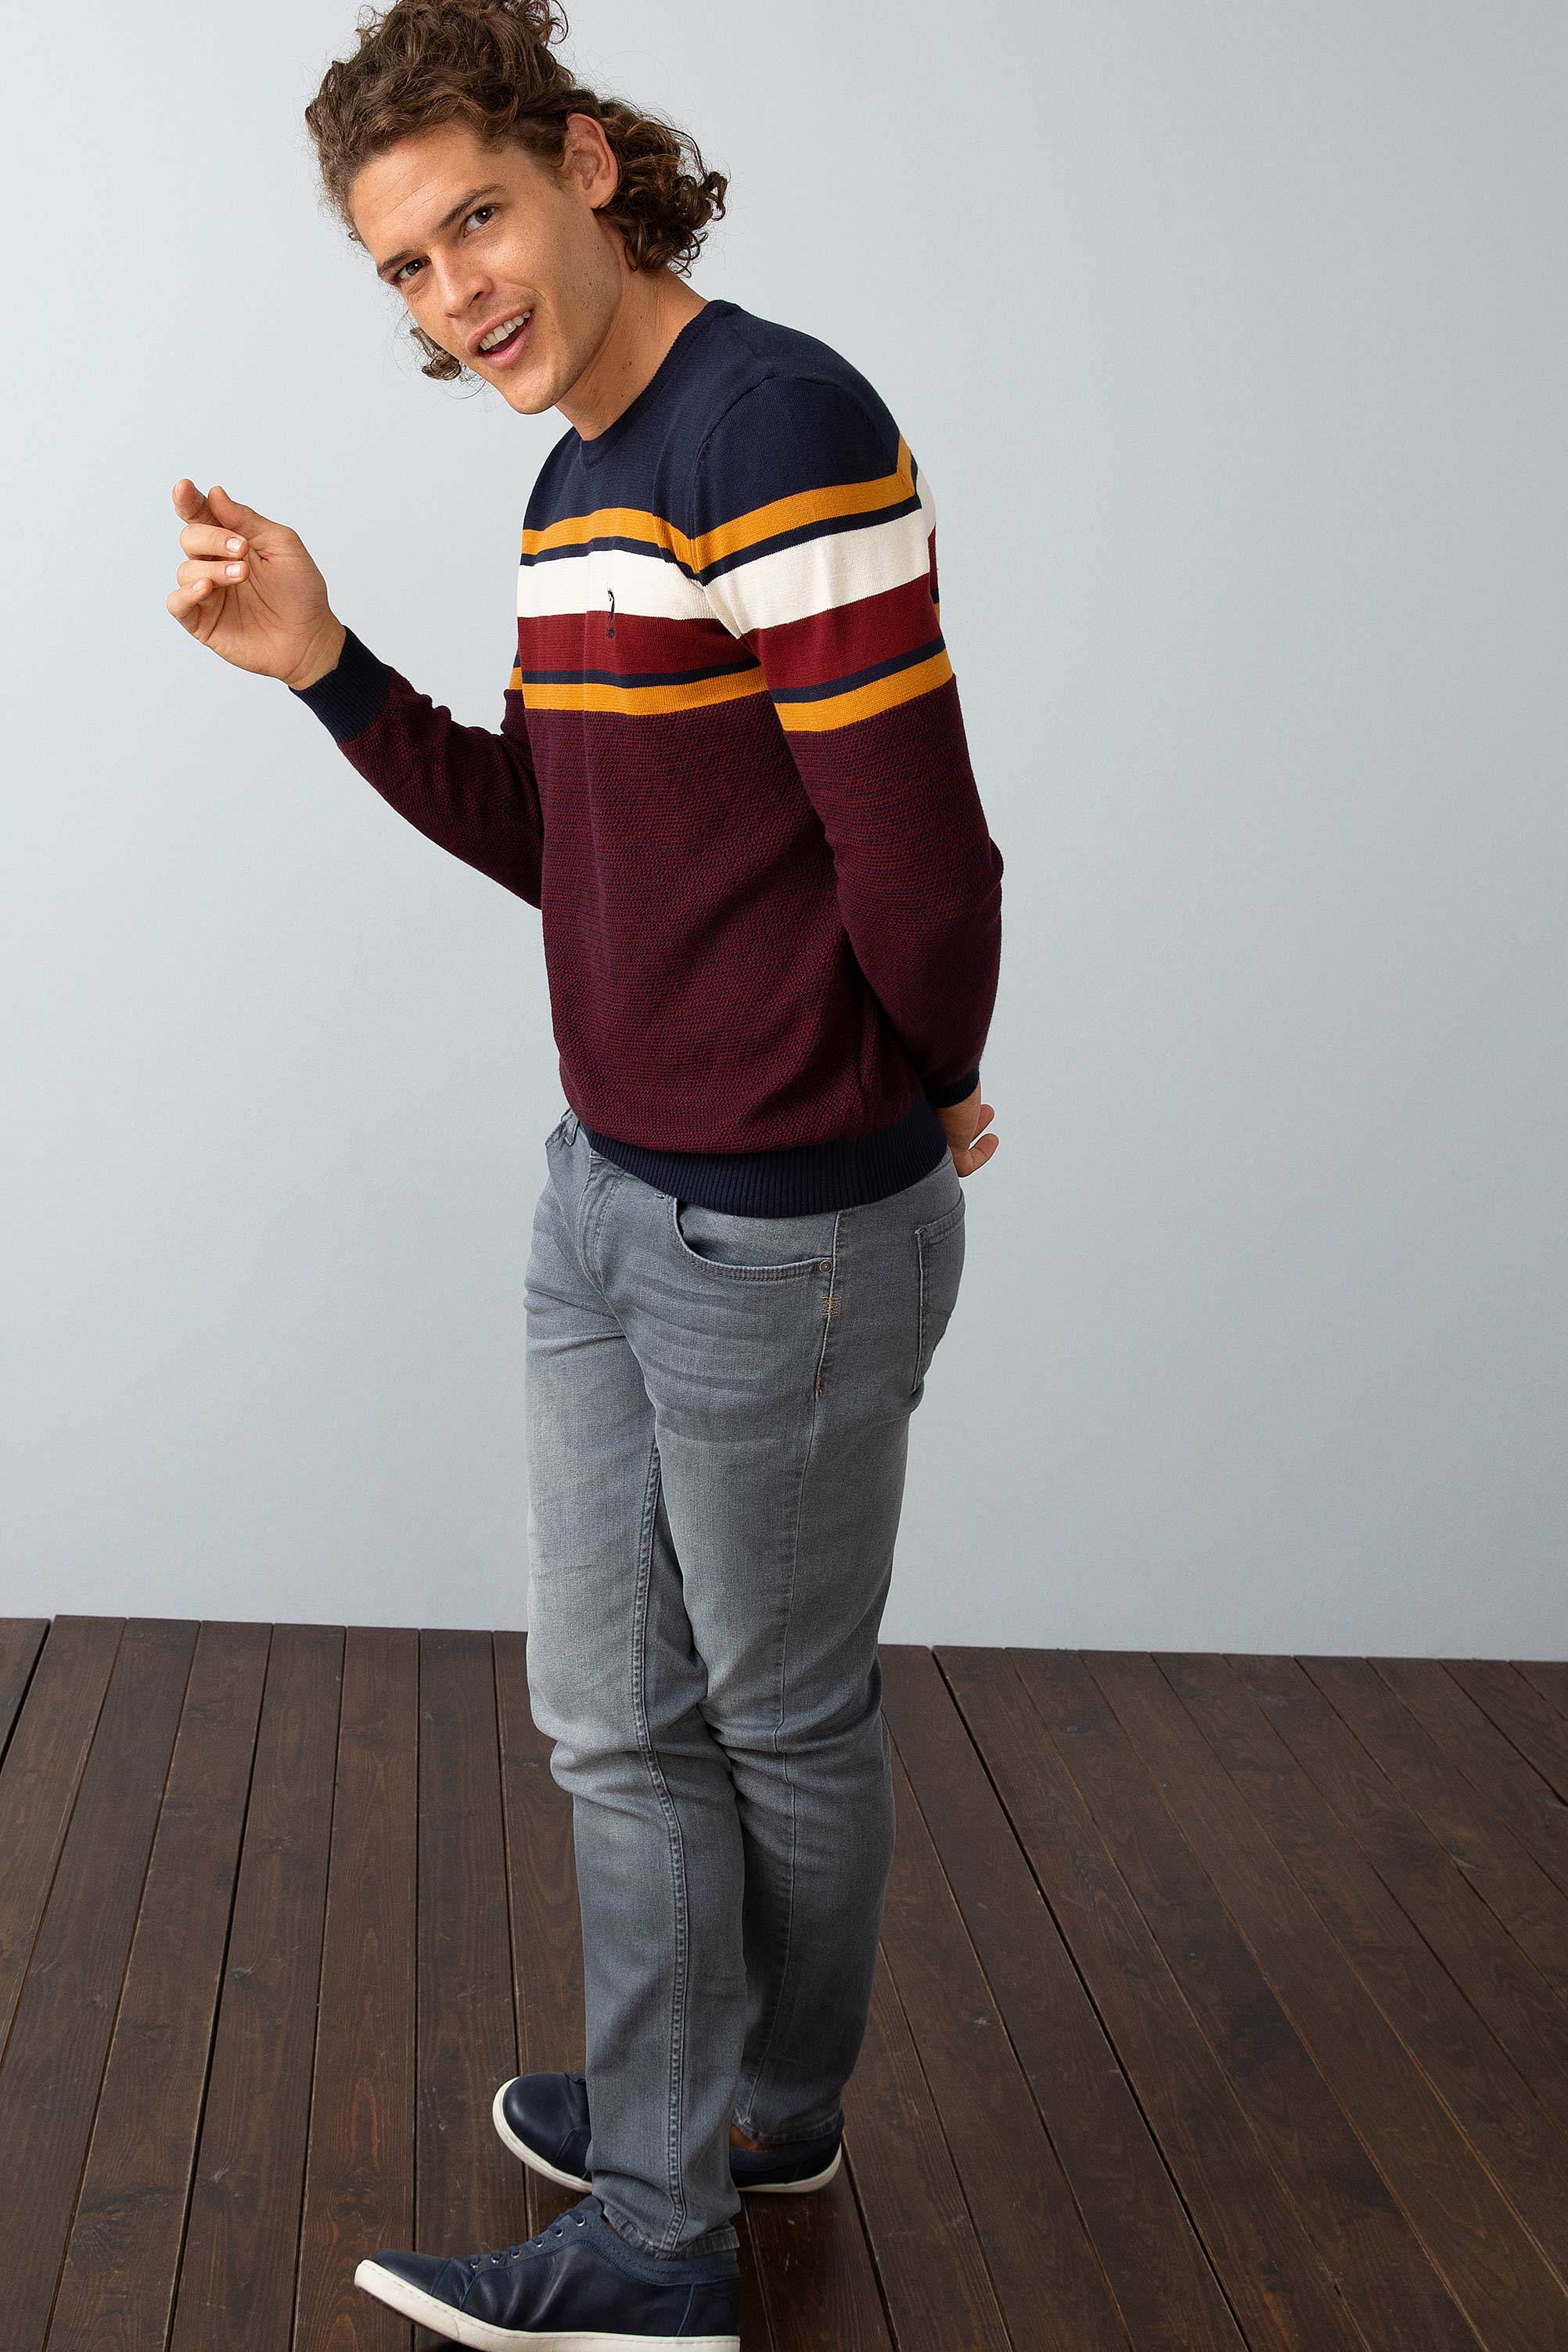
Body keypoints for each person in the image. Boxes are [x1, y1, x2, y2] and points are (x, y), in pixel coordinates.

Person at [166, 2, 1002, 2343]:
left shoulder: (771, 426)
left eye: (478, 221)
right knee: (621, 1725)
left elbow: (920, 850)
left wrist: (922, 1081)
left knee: (771, 1727)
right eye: (407, 268)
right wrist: (328, 667)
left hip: (782, 1221)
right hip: (611, 1190)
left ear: (589, 166)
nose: (457, 294)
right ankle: (716, 2120)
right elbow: (570, 846)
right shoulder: (574, 486)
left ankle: (673, 2221)